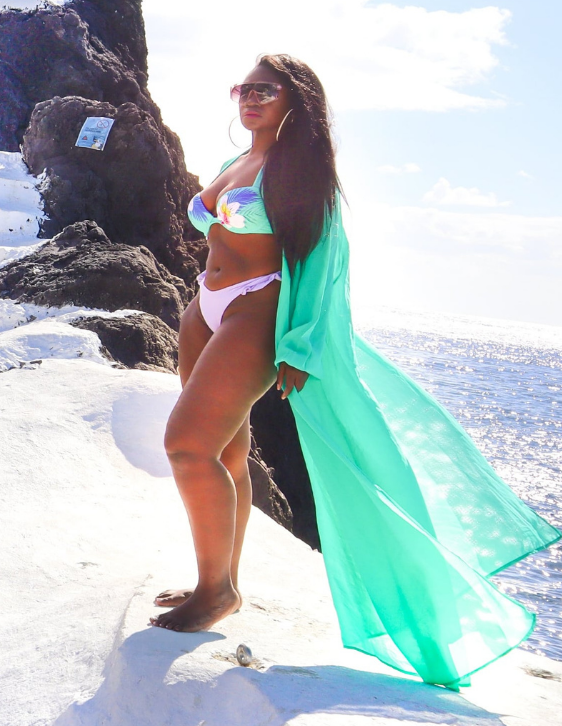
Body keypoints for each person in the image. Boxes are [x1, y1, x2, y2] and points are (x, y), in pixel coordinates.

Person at [152, 53, 558, 688]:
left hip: (255, 312)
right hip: (205, 306)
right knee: (226, 454)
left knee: (186, 446)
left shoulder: (298, 170)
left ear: (296, 101)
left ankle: (213, 591)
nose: (251, 98)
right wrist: (198, 303)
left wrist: (302, 347)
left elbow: (325, 259)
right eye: (244, 87)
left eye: (267, 89)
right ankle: (220, 583)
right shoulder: (238, 161)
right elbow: (214, 230)